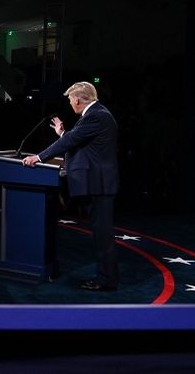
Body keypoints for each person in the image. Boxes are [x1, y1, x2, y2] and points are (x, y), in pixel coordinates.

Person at [21, 81, 119, 292]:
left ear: (77, 100)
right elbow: (78, 140)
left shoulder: (96, 115)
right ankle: (106, 277)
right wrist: (62, 134)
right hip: (98, 183)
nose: (70, 104)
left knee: (102, 235)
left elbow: (74, 140)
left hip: (99, 184)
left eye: (70, 100)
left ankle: (106, 280)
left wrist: (39, 156)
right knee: (100, 234)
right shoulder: (96, 114)